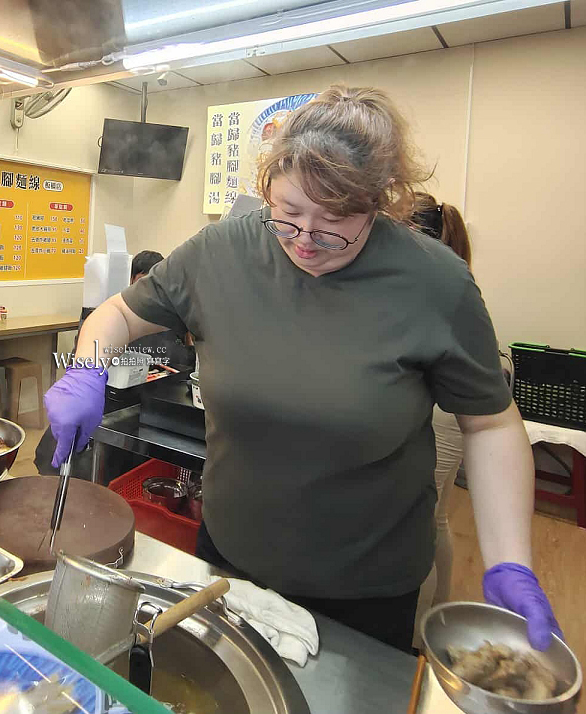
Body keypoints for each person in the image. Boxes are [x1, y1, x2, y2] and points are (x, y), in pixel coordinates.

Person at [43, 86, 562, 653]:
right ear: (267, 188)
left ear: (379, 203)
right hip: (230, 560)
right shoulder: (221, 252)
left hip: (366, 592)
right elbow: (119, 313)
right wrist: (87, 370)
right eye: (288, 215)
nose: (307, 241)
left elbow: (489, 424)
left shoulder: (436, 286)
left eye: (335, 222)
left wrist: (511, 559)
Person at [33, 250, 195, 475]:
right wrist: (84, 373)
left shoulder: (176, 315)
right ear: (131, 280)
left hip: (153, 417)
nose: (149, 296)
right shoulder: (111, 312)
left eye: (155, 286)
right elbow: (87, 350)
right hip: (105, 409)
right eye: (143, 282)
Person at [412, 193, 472, 607]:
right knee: (437, 517)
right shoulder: (452, 281)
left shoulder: (428, 284)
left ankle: (419, 636)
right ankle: (438, 612)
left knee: (421, 521)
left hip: (440, 411)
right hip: (446, 407)